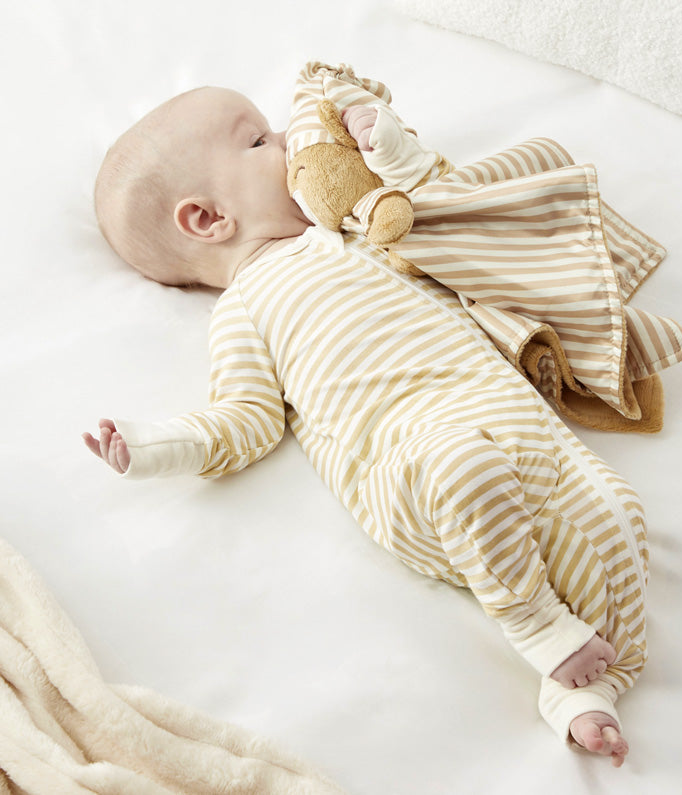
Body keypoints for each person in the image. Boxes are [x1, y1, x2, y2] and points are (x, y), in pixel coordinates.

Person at [84, 85, 649, 767]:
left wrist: (381, 138)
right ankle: (539, 627)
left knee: (616, 515)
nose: (287, 141)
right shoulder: (245, 309)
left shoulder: (353, 230)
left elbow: (431, 208)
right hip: (405, 466)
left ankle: (589, 690)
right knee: (465, 471)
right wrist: (152, 446)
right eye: (259, 140)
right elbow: (243, 420)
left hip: (504, 415)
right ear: (208, 218)